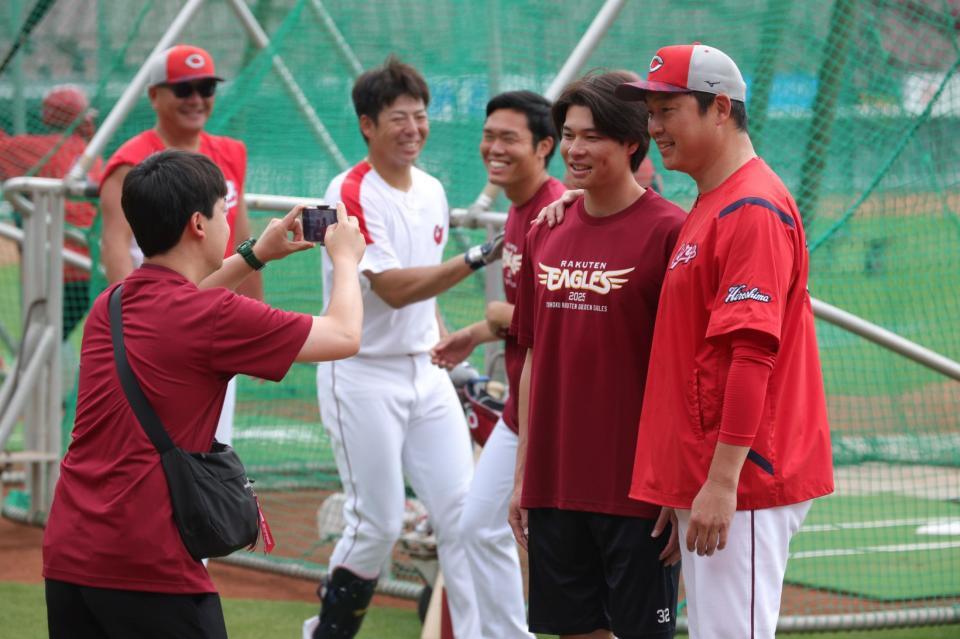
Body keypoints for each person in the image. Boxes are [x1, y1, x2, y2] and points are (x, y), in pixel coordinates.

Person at [42, 149, 367, 638]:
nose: (228, 221)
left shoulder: (111, 305)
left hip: (70, 557)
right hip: (151, 566)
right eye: (224, 211)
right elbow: (344, 335)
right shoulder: (216, 317)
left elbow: (186, 303)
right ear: (199, 223)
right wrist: (345, 259)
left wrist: (255, 254)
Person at [618, 44, 834, 638]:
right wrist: (686, 477)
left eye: (667, 110)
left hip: (748, 478)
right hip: (719, 472)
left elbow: (752, 353)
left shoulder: (751, 208)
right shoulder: (714, 201)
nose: (653, 127)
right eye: (650, 112)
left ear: (718, 107)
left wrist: (720, 480)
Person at [312, 56, 502, 639]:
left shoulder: (434, 189)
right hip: (359, 372)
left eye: (420, 117)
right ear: (367, 124)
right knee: (378, 522)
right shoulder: (347, 191)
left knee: (465, 517)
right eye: (399, 118)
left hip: (423, 372)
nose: (413, 129)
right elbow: (392, 289)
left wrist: (447, 348)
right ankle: (327, 633)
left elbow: (420, 294)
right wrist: (475, 257)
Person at [506, 71, 685, 639]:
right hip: (557, 484)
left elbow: (686, 372)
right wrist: (522, 477)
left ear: (633, 143)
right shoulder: (547, 231)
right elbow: (532, 357)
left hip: (639, 492)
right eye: (568, 134)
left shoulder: (672, 232)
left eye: (592, 137)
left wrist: (677, 483)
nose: (574, 150)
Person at [430, 90, 564, 639]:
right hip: (520, 405)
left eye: (509, 137)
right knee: (476, 528)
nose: (494, 147)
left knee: (560, 545)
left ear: (545, 146)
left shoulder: (558, 212)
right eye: (489, 135)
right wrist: (477, 330)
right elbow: (521, 315)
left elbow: (559, 315)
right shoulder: (517, 210)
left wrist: (498, 313)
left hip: (557, 411)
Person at [98, 44, 259, 447]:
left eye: (205, 88)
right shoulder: (131, 159)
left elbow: (243, 242)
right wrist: (136, 324)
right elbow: (117, 244)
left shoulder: (231, 152)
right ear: (154, 95)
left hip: (219, 315)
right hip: (160, 321)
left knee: (215, 442)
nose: (197, 99)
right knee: (159, 441)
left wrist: (257, 314)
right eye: (183, 88)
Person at [0, 84, 103, 340]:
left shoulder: (41, 148)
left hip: (60, 267)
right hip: (93, 263)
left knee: (40, 344)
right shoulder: (90, 154)